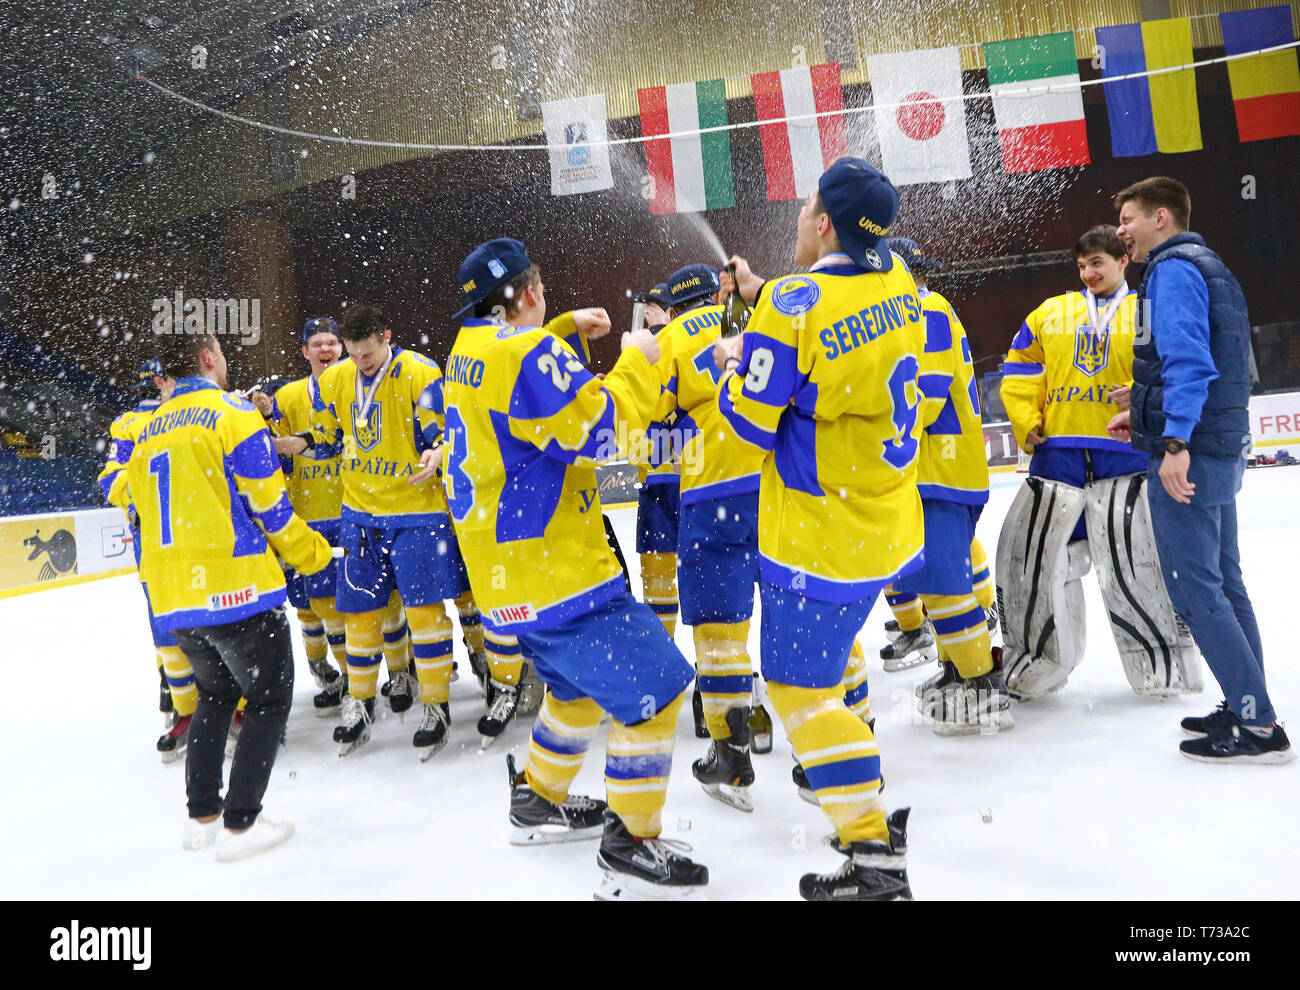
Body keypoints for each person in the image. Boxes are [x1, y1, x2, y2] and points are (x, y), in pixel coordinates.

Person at [439, 238, 708, 899]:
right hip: (562, 574)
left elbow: (513, 383)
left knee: (575, 694)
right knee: (659, 690)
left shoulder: (466, 352)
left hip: (506, 580)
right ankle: (630, 843)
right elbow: (603, 434)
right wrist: (636, 361)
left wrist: (557, 334)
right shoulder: (525, 353)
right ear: (530, 292)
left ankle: (537, 801)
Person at [714, 157, 914, 900]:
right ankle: (855, 782)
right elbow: (834, 332)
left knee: (798, 690)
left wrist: (730, 361)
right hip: (885, 523)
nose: (797, 219)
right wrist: (765, 314)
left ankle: (873, 856)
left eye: (804, 209)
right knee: (832, 666)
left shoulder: (793, 302)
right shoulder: (895, 276)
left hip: (818, 535)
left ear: (824, 221)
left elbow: (746, 425)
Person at [126, 330, 332, 860]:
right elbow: (273, 512)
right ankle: (242, 825)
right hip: (235, 592)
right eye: (220, 352)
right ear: (207, 358)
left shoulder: (146, 431)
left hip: (175, 601)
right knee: (267, 699)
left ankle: (202, 818)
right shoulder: (233, 415)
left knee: (214, 697)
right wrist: (315, 555)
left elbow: (136, 507)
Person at [1109, 176, 1292, 763]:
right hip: (1217, 445)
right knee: (1225, 584)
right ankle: (1247, 705)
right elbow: (1193, 362)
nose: (1122, 232)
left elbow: (1190, 362)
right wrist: (1141, 414)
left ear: (1162, 217)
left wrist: (1173, 441)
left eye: (1130, 219)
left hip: (1193, 452)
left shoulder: (1174, 271)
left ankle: (1257, 724)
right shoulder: (1210, 265)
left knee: (1197, 593)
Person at [996, 224, 1175, 701]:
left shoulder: (1145, 311)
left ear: (1123, 261)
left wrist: (1144, 399)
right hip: (1059, 457)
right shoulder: (1052, 312)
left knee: (1135, 564)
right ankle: (1036, 666)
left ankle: (1159, 668)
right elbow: (1018, 368)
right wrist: (1025, 419)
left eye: (1097, 262)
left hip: (1126, 455)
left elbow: (1172, 370)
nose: (1088, 272)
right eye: (1081, 265)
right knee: (1041, 564)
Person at [280, 304, 464, 758]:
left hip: (417, 514)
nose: (361, 362)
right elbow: (329, 437)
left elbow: (442, 434)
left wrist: (437, 452)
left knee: (424, 613)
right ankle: (359, 703)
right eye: (354, 353)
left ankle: (437, 706)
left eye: (368, 353)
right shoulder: (336, 379)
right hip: (359, 515)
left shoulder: (420, 373)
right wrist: (299, 443)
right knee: (359, 614)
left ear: (387, 335)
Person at [864, 237, 1008, 735]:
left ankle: (981, 684)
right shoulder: (919, 310)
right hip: (936, 467)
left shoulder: (925, 308)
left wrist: (880, 433)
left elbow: (925, 388)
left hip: (940, 467)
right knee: (944, 576)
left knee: (944, 582)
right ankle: (958, 668)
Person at [644, 261, 769, 812]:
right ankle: (847, 732)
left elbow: (646, 428)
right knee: (805, 609)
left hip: (712, 493)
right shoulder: (758, 319)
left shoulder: (667, 340)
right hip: (779, 485)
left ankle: (731, 753)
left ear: (672, 308)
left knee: (720, 630)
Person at [97, 358, 199, 761]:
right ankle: (186, 703)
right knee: (175, 627)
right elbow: (111, 479)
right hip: (162, 545)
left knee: (183, 625)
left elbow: (112, 481)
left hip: (187, 539)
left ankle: (204, 706)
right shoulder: (134, 424)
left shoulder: (197, 413)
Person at [253, 319, 352, 715]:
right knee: (308, 606)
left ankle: (374, 673)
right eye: (317, 342)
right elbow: (275, 447)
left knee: (355, 601)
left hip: (350, 510)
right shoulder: (289, 395)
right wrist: (264, 413)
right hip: (303, 518)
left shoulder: (356, 385)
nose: (325, 348)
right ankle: (325, 672)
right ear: (305, 352)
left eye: (332, 341)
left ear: (342, 348)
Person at [629, 283, 683, 640]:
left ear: (673, 313)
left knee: (704, 577)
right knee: (656, 579)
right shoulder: (639, 353)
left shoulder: (678, 346)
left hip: (685, 482)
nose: (648, 314)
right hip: (654, 485)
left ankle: (717, 663)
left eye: (656, 307)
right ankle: (665, 652)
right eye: (645, 307)